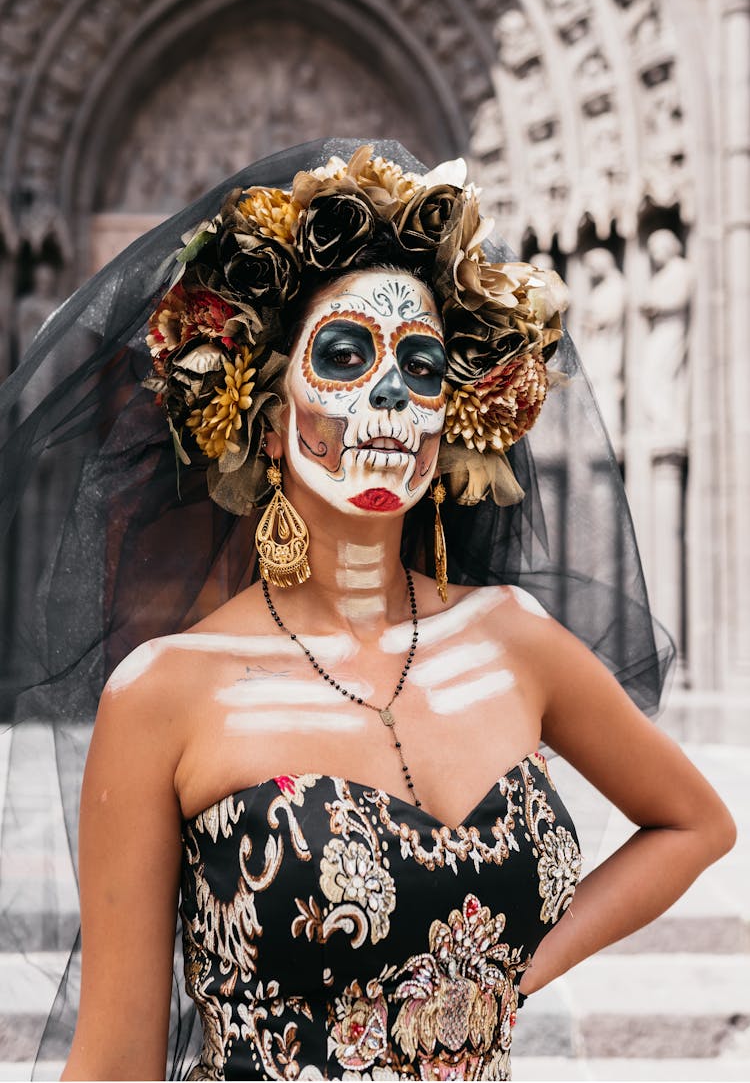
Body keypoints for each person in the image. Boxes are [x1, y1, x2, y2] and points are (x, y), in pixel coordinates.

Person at [0, 141, 734, 1082]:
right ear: (268, 422)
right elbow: (113, 1064)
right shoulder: (164, 696)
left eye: (423, 366)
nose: (391, 394)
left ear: (451, 415)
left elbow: (696, 824)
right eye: (345, 356)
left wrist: (505, 981)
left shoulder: (512, 642)